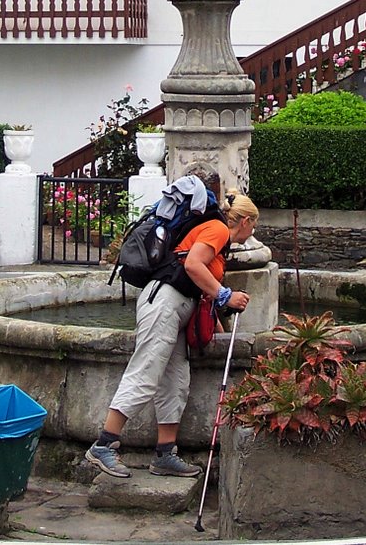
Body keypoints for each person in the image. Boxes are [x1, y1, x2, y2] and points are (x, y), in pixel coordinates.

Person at [85, 188, 259, 478]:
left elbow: (201, 287)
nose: (252, 232)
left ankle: (165, 454)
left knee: (176, 381)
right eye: (254, 225)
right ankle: (103, 445)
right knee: (146, 371)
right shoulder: (217, 229)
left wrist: (219, 327)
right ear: (245, 221)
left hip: (178, 308)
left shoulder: (216, 237)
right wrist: (226, 295)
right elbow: (192, 265)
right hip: (164, 302)